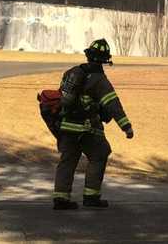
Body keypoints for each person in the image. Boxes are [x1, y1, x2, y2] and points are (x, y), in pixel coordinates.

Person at [53, 39, 134, 210]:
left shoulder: (72, 73)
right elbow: (113, 105)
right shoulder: (100, 80)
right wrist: (126, 127)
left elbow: (62, 97)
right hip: (88, 129)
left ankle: (60, 198)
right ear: (105, 59)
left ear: (88, 55)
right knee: (100, 154)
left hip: (66, 126)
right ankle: (91, 197)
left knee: (67, 160)